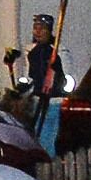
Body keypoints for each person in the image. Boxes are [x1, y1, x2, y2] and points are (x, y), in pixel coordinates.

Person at [19, 13, 67, 151]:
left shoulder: (59, 51)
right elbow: (29, 76)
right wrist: (22, 86)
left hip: (53, 100)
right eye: (35, 28)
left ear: (49, 30)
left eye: (42, 28)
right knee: (36, 135)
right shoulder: (31, 51)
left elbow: (69, 79)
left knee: (47, 137)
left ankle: (47, 163)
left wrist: (59, 75)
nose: (38, 32)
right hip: (36, 100)